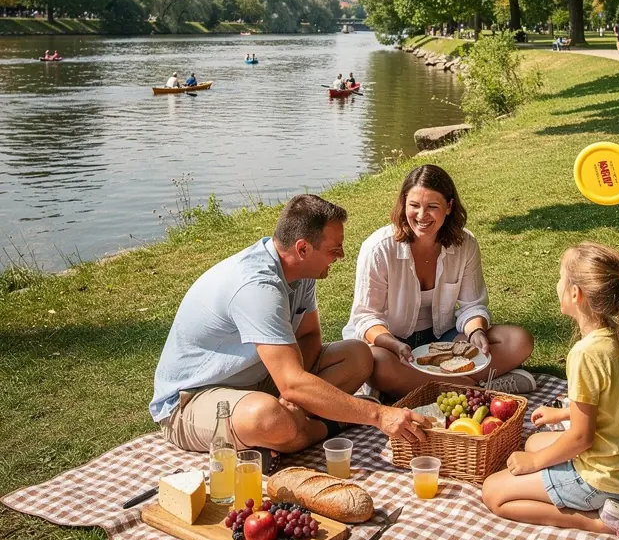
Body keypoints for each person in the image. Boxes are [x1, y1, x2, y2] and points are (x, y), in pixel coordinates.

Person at [150, 194, 428, 458]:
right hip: (191, 400)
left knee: (358, 355)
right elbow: (291, 381)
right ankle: (325, 426)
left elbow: (309, 336)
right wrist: (378, 416)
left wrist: (294, 395)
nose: (341, 255)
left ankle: (292, 427)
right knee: (269, 418)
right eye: (334, 249)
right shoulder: (257, 287)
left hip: (257, 379)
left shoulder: (301, 272)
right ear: (303, 248)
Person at [481, 243, 619, 540]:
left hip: (604, 477)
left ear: (576, 294)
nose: (557, 284)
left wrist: (534, 463)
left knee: (493, 492)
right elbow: (615, 403)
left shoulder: (586, 354)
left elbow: (580, 439)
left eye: (561, 278)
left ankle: (605, 521)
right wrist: (564, 413)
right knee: (534, 441)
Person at [343, 164, 536, 397]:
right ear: (404, 204)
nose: (421, 216)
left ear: (449, 207)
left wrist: (476, 333)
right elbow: (366, 317)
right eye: (414, 205)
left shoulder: (465, 244)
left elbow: (472, 305)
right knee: (376, 363)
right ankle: (478, 387)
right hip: (392, 344)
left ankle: (429, 386)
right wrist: (394, 344)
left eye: (432, 207)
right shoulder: (378, 248)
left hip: (443, 340)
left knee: (518, 341)